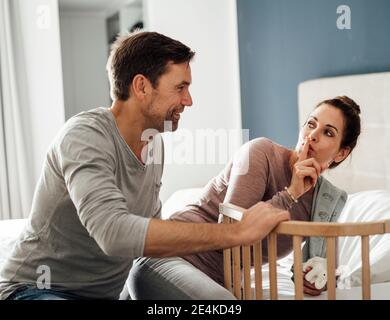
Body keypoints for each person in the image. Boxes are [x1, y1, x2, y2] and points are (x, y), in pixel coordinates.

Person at [0, 32, 290, 300]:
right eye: (180, 87)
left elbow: (147, 237)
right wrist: (236, 233)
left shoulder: (154, 145)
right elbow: (113, 233)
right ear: (141, 86)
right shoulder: (84, 136)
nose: (188, 100)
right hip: (35, 290)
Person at [128, 96, 361, 298]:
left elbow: (325, 274)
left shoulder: (325, 201)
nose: (312, 135)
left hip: (216, 280)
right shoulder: (261, 152)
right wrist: (291, 194)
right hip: (168, 257)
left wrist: (313, 279)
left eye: (328, 132)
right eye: (311, 124)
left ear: (341, 153)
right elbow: (229, 233)